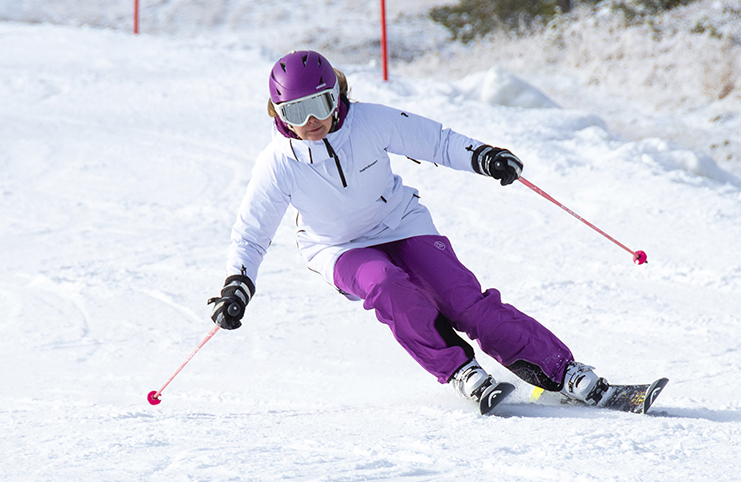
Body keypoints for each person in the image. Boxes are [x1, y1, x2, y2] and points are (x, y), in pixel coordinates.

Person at [208, 50, 608, 408]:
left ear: (335, 97)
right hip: (338, 247)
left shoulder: (368, 121)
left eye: (319, 104)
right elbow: (252, 234)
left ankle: (561, 370)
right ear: (277, 114)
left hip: (400, 222)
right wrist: (237, 284)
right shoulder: (277, 163)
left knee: (462, 300)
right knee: (385, 282)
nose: (311, 121)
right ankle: (461, 371)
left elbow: (435, 141)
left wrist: (483, 157)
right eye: (295, 112)